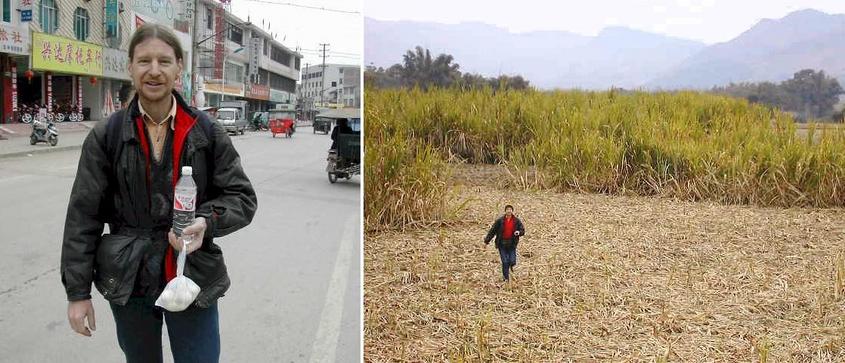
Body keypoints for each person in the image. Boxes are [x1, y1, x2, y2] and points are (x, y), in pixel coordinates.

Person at [60, 24, 257, 363]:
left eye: (164, 61)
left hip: (191, 271)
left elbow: (241, 197)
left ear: (179, 67)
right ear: (131, 67)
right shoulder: (107, 136)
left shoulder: (205, 132)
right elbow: (83, 216)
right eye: (144, 61)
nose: (154, 71)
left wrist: (205, 222)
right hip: (129, 275)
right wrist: (77, 294)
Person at [484, 205, 526, 282]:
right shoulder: (500, 221)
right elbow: (492, 231)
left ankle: (510, 267)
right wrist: (487, 241)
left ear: (512, 211)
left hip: (512, 244)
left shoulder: (516, 221)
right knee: (505, 261)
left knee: (512, 261)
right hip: (501, 243)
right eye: (507, 209)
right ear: (505, 211)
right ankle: (506, 278)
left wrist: (518, 232)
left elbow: (522, 230)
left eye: (510, 210)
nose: (509, 211)